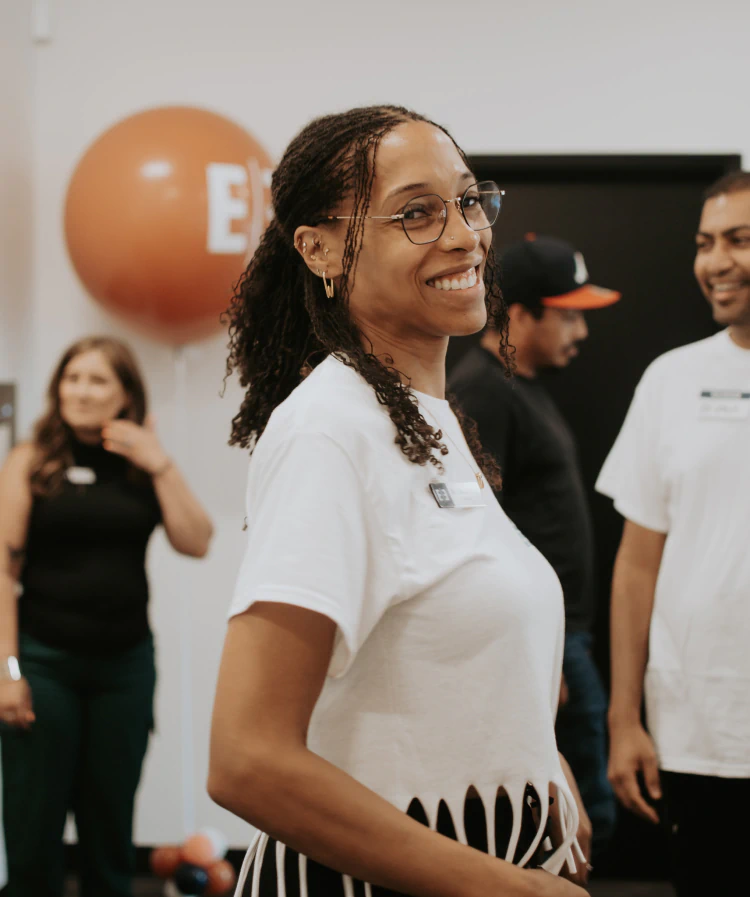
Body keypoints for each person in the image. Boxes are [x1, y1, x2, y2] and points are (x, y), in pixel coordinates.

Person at [208, 105, 589, 897]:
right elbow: (247, 758)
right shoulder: (329, 433)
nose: (464, 234)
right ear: (318, 249)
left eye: (469, 200)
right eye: (417, 212)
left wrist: (540, 763)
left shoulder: (426, 421)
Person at [0, 335, 213, 897]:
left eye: (97, 380)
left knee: (109, 826)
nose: (81, 391)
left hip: (124, 667)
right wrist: (9, 671)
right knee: (32, 826)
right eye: (72, 378)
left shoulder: (142, 465)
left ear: (125, 395)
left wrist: (160, 463)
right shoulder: (31, 460)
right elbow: (1, 570)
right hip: (44, 665)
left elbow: (198, 541)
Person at [597, 170, 750, 897]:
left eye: (739, 240)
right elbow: (636, 564)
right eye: (705, 242)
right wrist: (624, 720)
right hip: (699, 730)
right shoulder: (672, 381)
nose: (716, 261)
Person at [449, 235, 620, 859]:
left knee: (583, 817)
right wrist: (535, 655)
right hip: (544, 644)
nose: (580, 331)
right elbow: (477, 531)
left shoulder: (524, 385)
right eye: (568, 313)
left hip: (563, 636)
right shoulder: (484, 391)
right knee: (567, 823)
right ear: (519, 314)